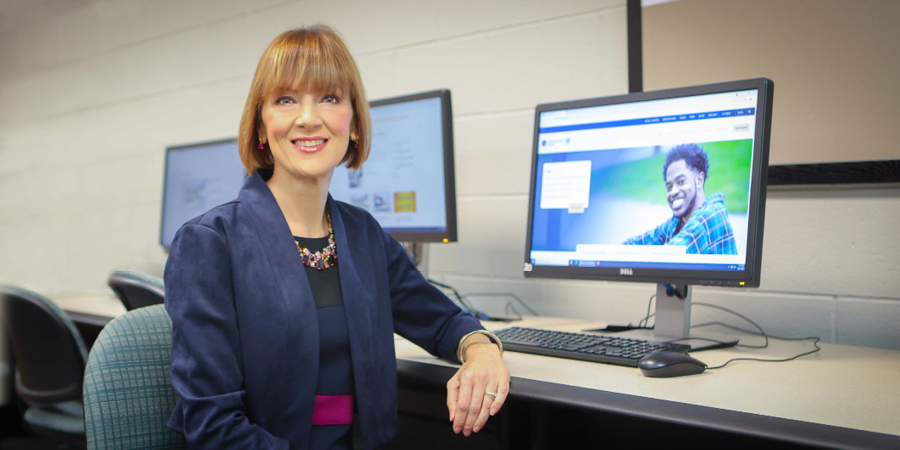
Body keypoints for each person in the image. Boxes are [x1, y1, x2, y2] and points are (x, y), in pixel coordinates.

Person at [164, 25, 509, 450]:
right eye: (286, 99)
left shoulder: (362, 234)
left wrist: (483, 351)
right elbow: (211, 426)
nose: (309, 118)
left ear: (355, 124)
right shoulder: (210, 243)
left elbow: (441, 320)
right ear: (259, 127)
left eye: (329, 98)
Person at [624, 143, 737, 255]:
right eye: (669, 187)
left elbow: (671, 255)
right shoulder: (677, 222)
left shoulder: (711, 215)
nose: (673, 192)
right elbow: (642, 241)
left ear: (699, 180)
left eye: (681, 182)